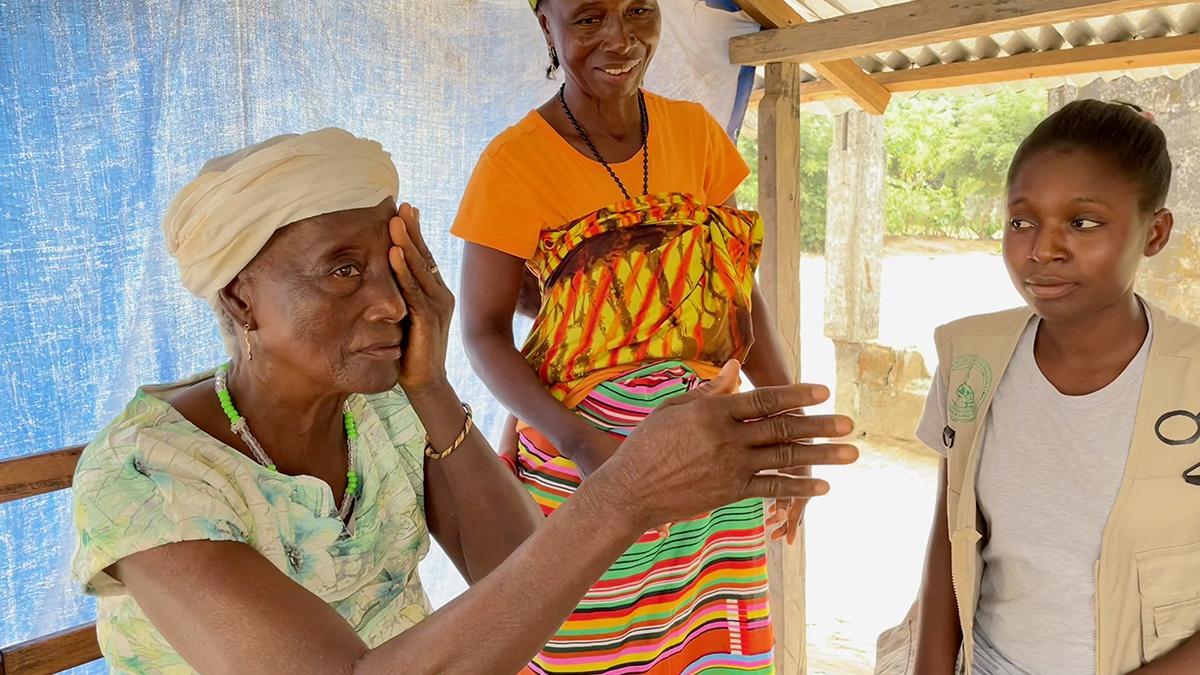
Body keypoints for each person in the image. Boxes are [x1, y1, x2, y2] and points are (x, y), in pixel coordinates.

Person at [70, 128, 857, 674]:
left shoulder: (378, 405)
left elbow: (512, 567)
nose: (389, 301)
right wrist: (623, 492)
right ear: (241, 300)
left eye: (394, 262)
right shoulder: (150, 477)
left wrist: (432, 385)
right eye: (342, 270)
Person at [453, 0, 804, 671]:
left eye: (638, 9)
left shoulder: (695, 134)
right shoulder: (515, 163)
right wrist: (586, 445)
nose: (620, 37)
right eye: (588, 19)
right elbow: (482, 333)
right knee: (587, 645)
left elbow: (735, 290)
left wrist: (784, 426)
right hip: (586, 469)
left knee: (708, 646)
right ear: (546, 26)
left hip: (707, 461)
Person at [896, 100, 1200, 674]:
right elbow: (950, 533)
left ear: (1154, 232)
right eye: (1022, 221)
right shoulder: (970, 358)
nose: (1042, 249)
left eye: (1083, 222)